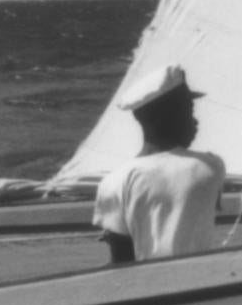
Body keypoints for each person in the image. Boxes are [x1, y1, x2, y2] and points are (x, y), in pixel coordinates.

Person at [95, 65, 228, 263]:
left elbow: (121, 257)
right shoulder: (212, 166)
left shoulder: (114, 182)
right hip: (203, 280)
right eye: (188, 111)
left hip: (148, 287)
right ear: (163, 118)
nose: (195, 121)